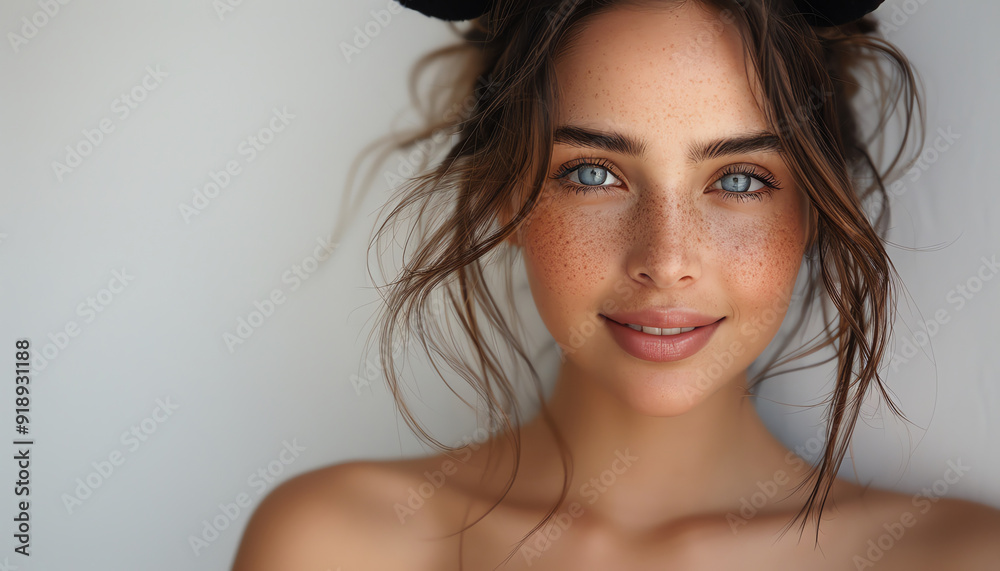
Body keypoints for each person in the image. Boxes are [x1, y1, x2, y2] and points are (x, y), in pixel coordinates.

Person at [232, 0, 1000, 568]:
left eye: (738, 178)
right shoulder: (334, 543)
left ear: (817, 207)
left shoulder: (957, 556)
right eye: (592, 173)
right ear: (508, 190)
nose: (665, 259)